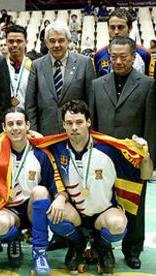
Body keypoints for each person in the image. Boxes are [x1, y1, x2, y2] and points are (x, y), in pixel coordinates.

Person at [34, 100, 153, 274]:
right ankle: (77, 244)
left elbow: (145, 175)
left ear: (89, 122)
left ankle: (102, 245)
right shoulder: (57, 148)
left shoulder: (109, 149)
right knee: (54, 216)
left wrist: (145, 154)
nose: (74, 127)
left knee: (118, 224)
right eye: (69, 123)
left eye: (79, 122)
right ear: (64, 126)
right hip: (75, 214)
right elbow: (32, 143)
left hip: (103, 211)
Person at [0, 106, 64, 274]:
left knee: (41, 191)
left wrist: (60, 198)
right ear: (4, 127)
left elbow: (54, 186)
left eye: (19, 123)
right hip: (8, 208)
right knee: (0, 224)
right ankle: (14, 239)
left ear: (28, 125)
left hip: (32, 210)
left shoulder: (41, 154)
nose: (15, 128)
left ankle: (39, 253)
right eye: (10, 124)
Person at [90, 36, 156, 269]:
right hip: (103, 156)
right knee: (101, 202)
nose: (118, 61)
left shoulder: (148, 84)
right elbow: (94, 124)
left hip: (134, 158)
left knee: (135, 206)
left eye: (124, 57)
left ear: (134, 57)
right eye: (113, 57)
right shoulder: (97, 85)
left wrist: (149, 160)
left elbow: (151, 124)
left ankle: (133, 249)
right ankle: (101, 247)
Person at [25, 20, 95, 136]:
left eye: (61, 40)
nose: (57, 45)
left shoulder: (84, 63)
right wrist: (33, 132)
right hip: (46, 134)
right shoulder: (36, 66)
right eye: (52, 41)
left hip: (77, 133)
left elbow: (91, 102)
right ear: (46, 43)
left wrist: (90, 131)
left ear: (69, 41)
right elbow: (30, 104)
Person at [94, 9, 154, 78]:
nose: (116, 32)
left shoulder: (144, 54)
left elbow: (149, 84)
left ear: (130, 28)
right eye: (112, 27)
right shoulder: (99, 55)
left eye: (120, 27)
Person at [6, 25, 32, 110]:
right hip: (6, 119)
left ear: (26, 42)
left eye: (19, 41)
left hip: (28, 119)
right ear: (6, 42)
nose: (14, 44)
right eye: (11, 41)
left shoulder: (33, 67)